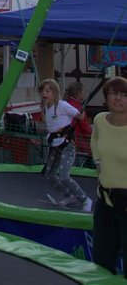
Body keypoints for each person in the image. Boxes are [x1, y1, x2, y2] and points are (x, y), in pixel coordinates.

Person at [90, 75, 127, 277]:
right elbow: (95, 140)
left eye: (123, 95)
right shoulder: (100, 120)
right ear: (106, 97)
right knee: (102, 263)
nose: (118, 99)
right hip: (105, 202)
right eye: (113, 94)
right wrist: (98, 163)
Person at [38, 78, 92, 211]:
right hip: (55, 146)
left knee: (64, 176)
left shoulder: (62, 105)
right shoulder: (46, 107)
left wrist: (81, 114)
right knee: (49, 174)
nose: (44, 93)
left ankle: (85, 199)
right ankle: (70, 196)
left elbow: (78, 116)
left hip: (67, 146)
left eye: (47, 91)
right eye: (42, 91)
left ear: (55, 93)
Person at [65, 81, 92, 157]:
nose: (84, 94)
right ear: (79, 93)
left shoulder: (64, 103)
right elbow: (85, 127)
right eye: (83, 92)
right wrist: (92, 134)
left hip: (64, 138)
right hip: (77, 140)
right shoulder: (78, 108)